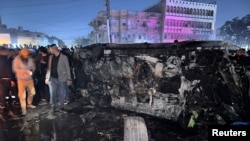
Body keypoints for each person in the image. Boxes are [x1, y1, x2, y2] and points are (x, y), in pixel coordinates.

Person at [45, 44, 72, 112]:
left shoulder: (64, 57)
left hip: (62, 78)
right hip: (52, 78)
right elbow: (49, 68)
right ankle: (54, 106)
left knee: (61, 93)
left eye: (50, 49)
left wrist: (69, 78)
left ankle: (62, 107)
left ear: (54, 49)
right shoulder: (51, 57)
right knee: (53, 93)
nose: (49, 51)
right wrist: (46, 78)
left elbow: (67, 68)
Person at [12, 48, 36, 116]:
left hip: (29, 79)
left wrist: (31, 70)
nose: (26, 57)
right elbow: (15, 69)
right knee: (22, 96)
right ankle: (23, 109)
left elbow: (33, 67)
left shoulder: (30, 59)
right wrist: (24, 71)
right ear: (21, 55)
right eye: (25, 55)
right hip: (21, 80)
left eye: (27, 55)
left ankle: (29, 103)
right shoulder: (16, 59)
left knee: (32, 92)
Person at [0, 47, 18, 120]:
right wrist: (12, 80)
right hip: (8, 79)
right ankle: (12, 103)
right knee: (12, 91)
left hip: (2, 79)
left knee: (4, 93)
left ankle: (3, 104)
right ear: (3, 51)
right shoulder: (6, 60)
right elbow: (9, 71)